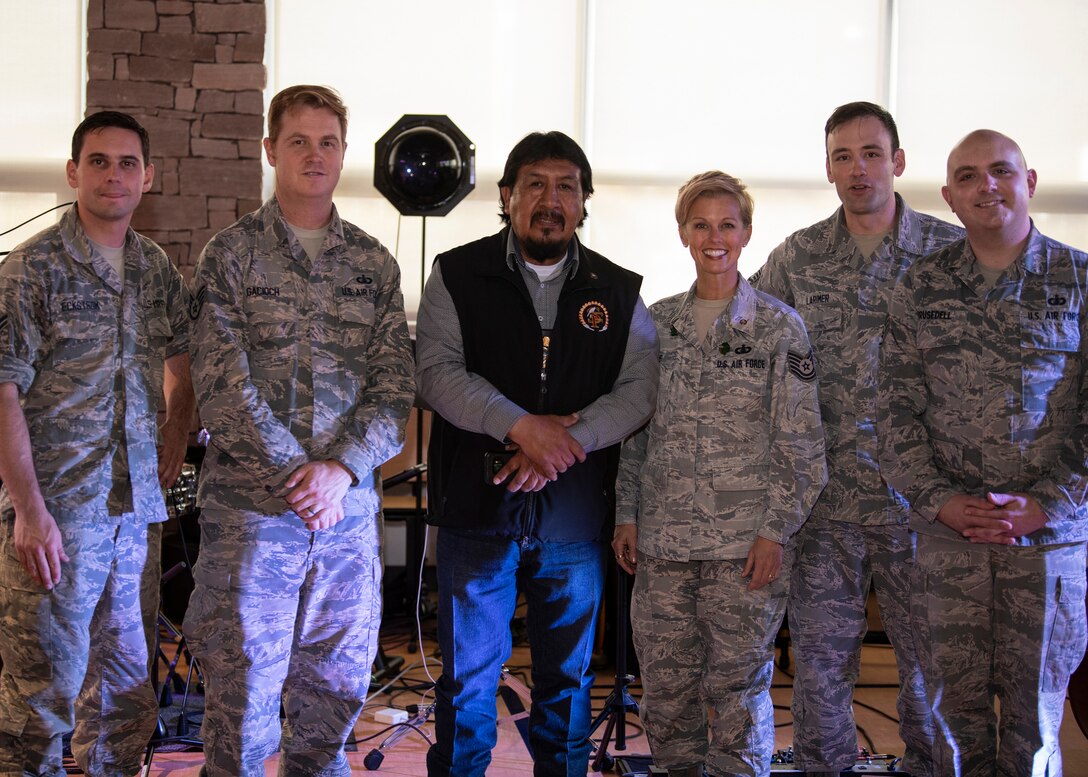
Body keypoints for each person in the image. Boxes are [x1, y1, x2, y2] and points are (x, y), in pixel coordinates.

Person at [185, 85, 414, 777]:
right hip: (254, 520)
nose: (315, 156)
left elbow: (395, 388)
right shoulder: (228, 257)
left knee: (333, 699)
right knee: (241, 705)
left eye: (328, 142)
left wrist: (338, 471)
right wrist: (299, 475)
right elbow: (222, 387)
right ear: (269, 150)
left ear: (344, 153)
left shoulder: (374, 264)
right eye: (298, 141)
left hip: (343, 523)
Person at [415, 130, 659, 777]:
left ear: (584, 202)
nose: (552, 200)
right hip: (477, 513)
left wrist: (566, 440)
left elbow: (639, 391)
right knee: (468, 684)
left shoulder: (620, 290)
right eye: (536, 185)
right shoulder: (456, 274)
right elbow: (436, 373)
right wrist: (523, 426)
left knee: (568, 686)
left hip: (574, 523)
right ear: (507, 195)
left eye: (567, 187)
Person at [751, 101, 964, 776]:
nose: (858, 169)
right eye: (843, 156)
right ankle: (825, 767)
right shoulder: (799, 255)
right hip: (826, 500)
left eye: (871, 153)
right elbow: (745, 329)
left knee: (931, 663)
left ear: (898, 162)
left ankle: (931, 767)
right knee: (819, 663)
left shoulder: (948, 253)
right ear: (828, 169)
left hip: (922, 504)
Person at [879, 129, 1088, 777]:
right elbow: (892, 413)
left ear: (1029, 182)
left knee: (1035, 729)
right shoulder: (918, 288)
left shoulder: (1079, 278)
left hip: (1048, 548)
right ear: (949, 196)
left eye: (1001, 171)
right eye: (967, 176)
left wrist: (1046, 505)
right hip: (948, 543)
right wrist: (944, 503)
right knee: (951, 725)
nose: (985, 185)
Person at [612, 171, 827, 777]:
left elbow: (802, 445)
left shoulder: (780, 328)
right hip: (663, 546)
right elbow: (635, 431)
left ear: (747, 233)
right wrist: (626, 514)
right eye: (701, 224)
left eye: (727, 224)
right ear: (683, 233)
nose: (715, 237)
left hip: (743, 550)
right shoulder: (656, 324)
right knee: (667, 692)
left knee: (737, 693)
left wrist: (774, 532)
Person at [0, 111, 194, 776]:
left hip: (134, 521)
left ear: (149, 177)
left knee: (122, 698)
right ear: (73, 172)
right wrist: (27, 509)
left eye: (129, 163)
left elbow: (182, 357)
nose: (115, 174)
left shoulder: (154, 267)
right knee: (37, 701)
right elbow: (2, 392)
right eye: (100, 161)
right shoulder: (32, 271)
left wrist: (174, 428)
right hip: (56, 517)